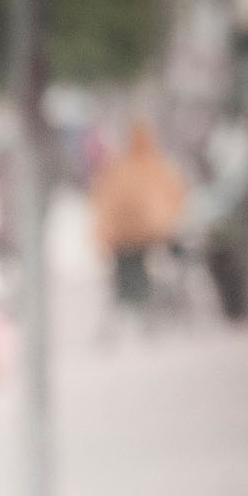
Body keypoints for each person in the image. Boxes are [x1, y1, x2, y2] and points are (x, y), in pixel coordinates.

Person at [89, 122, 186, 336]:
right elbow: (174, 196)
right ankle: (136, 326)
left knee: (129, 282)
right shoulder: (148, 166)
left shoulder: (126, 167)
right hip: (138, 236)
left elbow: (105, 201)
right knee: (131, 282)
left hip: (128, 237)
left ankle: (131, 326)